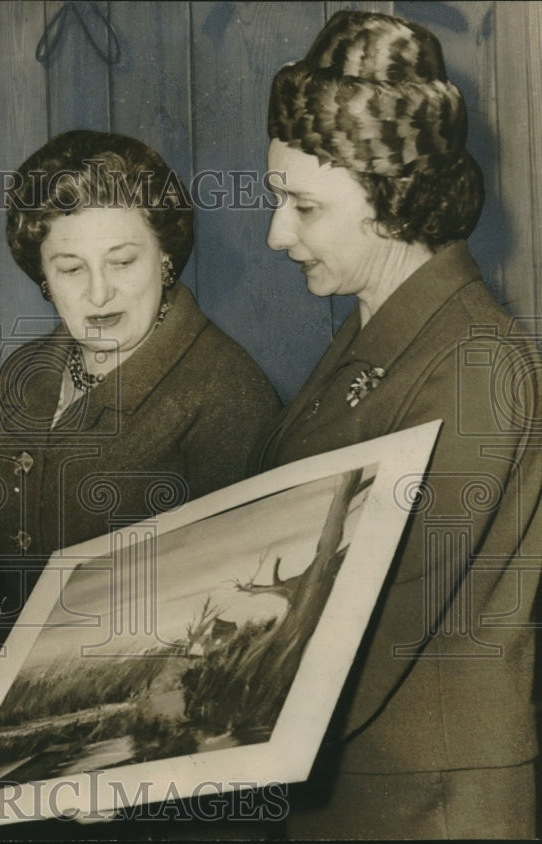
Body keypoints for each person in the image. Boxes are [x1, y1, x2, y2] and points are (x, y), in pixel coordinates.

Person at [256, 10, 542, 838]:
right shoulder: (375, 330)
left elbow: (376, 622)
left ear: (394, 197)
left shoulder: (476, 363)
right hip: (359, 791)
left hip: (430, 809)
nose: (278, 235)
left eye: (304, 207)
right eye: (279, 199)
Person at [0, 130, 281, 664]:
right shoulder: (21, 377)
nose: (99, 292)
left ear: (165, 259)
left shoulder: (228, 394)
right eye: (69, 268)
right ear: (42, 276)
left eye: (123, 261)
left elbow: (233, 615)